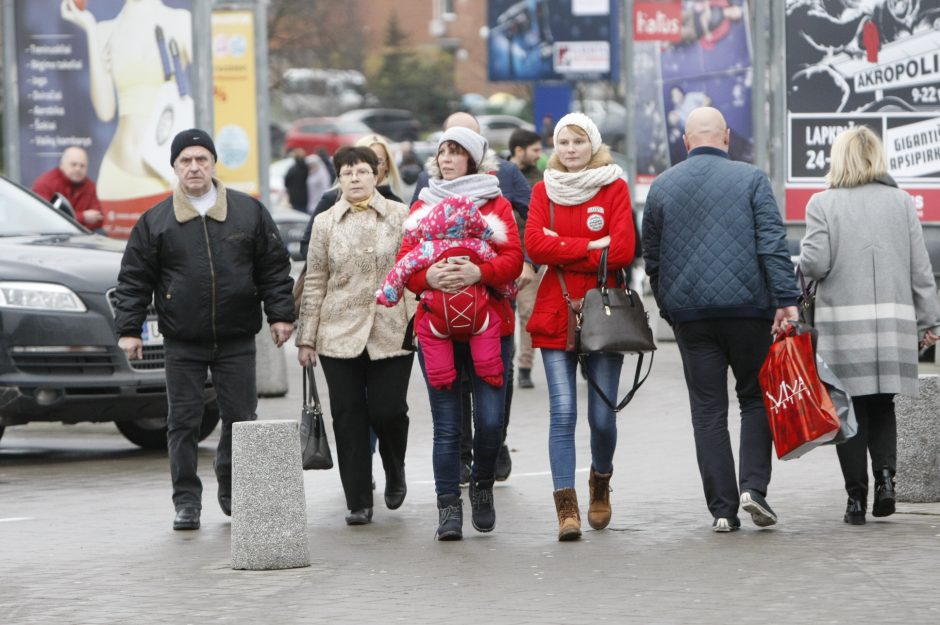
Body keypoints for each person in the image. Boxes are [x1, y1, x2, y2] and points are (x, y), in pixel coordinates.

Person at [113, 129, 295, 531]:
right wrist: (129, 329)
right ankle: (186, 502)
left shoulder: (247, 212)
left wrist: (281, 315)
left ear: (213, 164)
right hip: (182, 340)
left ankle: (231, 489)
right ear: (175, 167)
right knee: (183, 422)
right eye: (185, 161)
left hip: (236, 338)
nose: (194, 167)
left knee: (241, 419)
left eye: (201, 159)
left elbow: (273, 267)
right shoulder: (156, 221)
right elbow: (134, 279)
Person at [642, 107, 800, 533]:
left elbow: (652, 259)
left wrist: (669, 307)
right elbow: (772, 243)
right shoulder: (751, 179)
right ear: (726, 137)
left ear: (686, 141)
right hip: (750, 311)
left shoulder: (661, 187)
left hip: (691, 317)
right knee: (755, 398)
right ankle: (754, 489)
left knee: (708, 410)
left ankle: (722, 511)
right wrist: (787, 299)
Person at [799, 126, 940, 525]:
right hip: (893, 327)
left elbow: (815, 264)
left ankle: (856, 500)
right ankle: (886, 481)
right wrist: (930, 320)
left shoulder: (822, 203)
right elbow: (920, 269)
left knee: (848, 409)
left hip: (844, 326)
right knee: (883, 405)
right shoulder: (900, 203)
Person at [398, 126, 522, 540]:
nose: (447, 159)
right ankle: (448, 506)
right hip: (437, 330)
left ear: (473, 159)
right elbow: (405, 262)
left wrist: (479, 271)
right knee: (447, 425)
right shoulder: (422, 203)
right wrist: (427, 275)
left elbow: (513, 260)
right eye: (443, 152)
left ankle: (482, 485)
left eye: (456, 152)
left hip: (492, 326)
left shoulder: (495, 202)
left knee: (490, 421)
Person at [523, 113, 634, 541]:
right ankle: (566, 508)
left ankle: (600, 481)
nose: (570, 150)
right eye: (563, 142)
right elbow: (535, 244)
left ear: (594, 145)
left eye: (578, 141)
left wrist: (561, 247)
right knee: (563, 411)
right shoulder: (542, 190)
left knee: (602, 416)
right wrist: (591, 245)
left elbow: (622, 251)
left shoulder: (614, 187)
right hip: (555, 310)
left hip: (604, 310)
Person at [296, 146, 414, 526]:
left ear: (377, 176)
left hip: (391, 329)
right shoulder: (325, 223)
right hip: (337, 331)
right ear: (339, 179)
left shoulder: (400, 215)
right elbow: (315, 280)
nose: (356, 179)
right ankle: (358, 499)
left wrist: (416, 319)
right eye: (347, 173)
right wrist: (306, 338)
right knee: (347, 416)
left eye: (362, 171)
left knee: (388, 409)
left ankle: (395, 466)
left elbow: (414, 268)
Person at [376, 194, 512, 390]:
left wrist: (387, 294)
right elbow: (500, 278)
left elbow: (402, 269)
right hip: (479, 313)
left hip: (437, 316)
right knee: (488, 329)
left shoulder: (427, 249)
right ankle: (490, 371)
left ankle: (441, 378)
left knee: (430, 335)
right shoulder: (480, 246)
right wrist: (508, 290)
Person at [61, 0, 194, 200]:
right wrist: (90, 29)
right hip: (116, 174)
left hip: (166, 173)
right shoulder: (105, 30)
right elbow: (105, 111)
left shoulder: (181, 20)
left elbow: (213, 92)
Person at [299, 134, 403, 259]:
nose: (372, 166)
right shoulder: (333, 199)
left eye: (378, 161)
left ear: (387, 165)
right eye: (366, 161)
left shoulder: (399, 207)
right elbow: (307, 246)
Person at [507, 128, 543, 390]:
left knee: (528, 312)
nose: (539, 155)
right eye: (535, 150)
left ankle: (524, 366)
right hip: (502, 256)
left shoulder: (541, 179)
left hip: (529, 258)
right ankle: (503, 360)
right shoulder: (499, 177)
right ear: (519, 150)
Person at [31, 146, 104, 230]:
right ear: (62, 164)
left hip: (81, 234)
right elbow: (45, 217)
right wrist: (83, 217)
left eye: (82, 166)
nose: (78, 169)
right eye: (73, 164)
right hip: (52, 234)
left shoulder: (90, 186)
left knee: (101, 233)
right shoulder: (45, 183)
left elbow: (99, 219)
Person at [283, 148, 309, 212]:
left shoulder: (292, 169)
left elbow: (286, 182)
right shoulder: (307, 168)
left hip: (294, 197)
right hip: (306, 196)